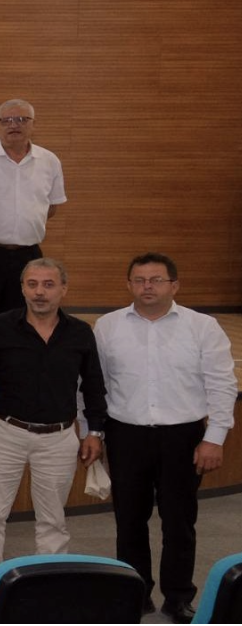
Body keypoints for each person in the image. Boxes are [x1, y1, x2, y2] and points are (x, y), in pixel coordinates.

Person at [97, 252, 236, 622]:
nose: (147, 287)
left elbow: (222, 384)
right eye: (139, 280)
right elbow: (95, 385)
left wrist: (215, 437)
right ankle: (135, 592)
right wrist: (92, 431)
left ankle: (178, 597)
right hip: (125, 435)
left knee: (179, 522)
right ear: (129, 285)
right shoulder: (108, 326)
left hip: (183, 438)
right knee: (129, 520)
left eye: (156, 280)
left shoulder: (202, 326)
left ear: (175, 285)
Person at [0, 257, 107, 604]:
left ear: (63, 289)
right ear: (22, 288)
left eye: (48, 284)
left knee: (53, 518)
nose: (39, 292)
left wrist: (95, 432)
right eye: (32, 284)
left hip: (59, 438)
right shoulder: (0, 326)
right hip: (6, 433)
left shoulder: (80, 332)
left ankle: (49, 579)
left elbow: (93, 386)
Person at [0, 99, 65, 333]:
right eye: (6, 120)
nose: (13, 125)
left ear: (33, 124)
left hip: (28, 256)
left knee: (21, 324)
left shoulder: (49, 161)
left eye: (21, 119)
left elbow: (51, 207)